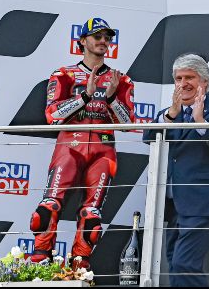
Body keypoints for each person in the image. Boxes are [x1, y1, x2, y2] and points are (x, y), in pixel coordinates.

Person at [29, 18, 135, 270]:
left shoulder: (121, 79)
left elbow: (129, 122)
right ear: (83, 41)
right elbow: (52, 116)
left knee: (92, 215)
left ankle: (80, 266)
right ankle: (40, 261)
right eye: (97, 36)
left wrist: (110, 98)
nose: (103, 42)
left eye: (107, 38)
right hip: (69, 145)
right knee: (48, 206)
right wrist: (85, 97)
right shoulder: (63, 74)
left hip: (103, 149)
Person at [143, 53, 209, 287]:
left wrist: (201, 123)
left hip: (203, 203)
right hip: (172, 205)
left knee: (185, 265)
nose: (183, 83)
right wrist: (171, 115)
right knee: (175, 265)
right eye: (178, 78)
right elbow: (149, 138)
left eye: (190, 77)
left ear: (204, 82)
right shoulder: (168, 114)